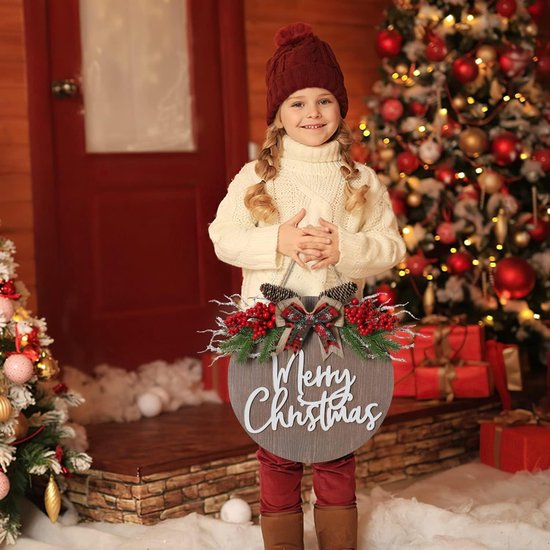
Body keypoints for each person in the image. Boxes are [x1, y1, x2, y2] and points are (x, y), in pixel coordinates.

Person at [208, 22, 406, 550]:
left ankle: (338, 540)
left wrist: (347, 247)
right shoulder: (257, 177)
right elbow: (223, 237)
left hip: (342, 329)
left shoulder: (361, 181)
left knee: (337, 441)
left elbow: (391, 246)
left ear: (340, 107)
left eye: (323, 100)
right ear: (278, 113)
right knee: (279, 442)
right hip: (272, 328)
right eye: (297, 103)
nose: (312, 113)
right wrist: (280, 240)